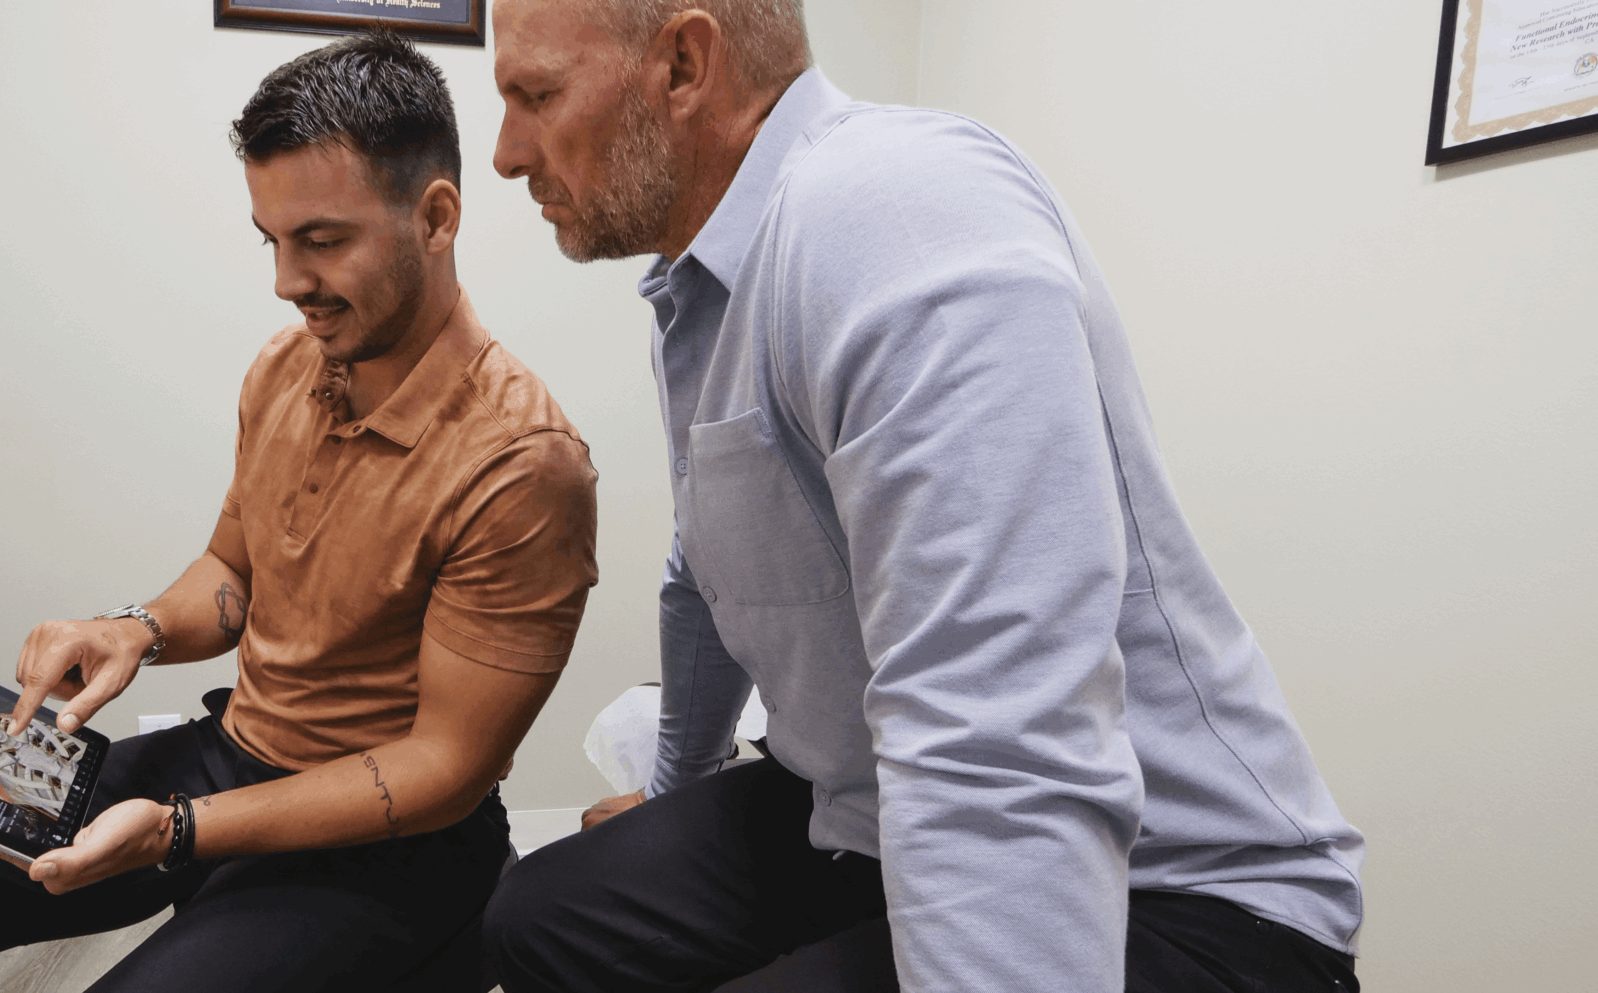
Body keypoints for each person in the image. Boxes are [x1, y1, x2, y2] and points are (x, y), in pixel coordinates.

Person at [481, 3, 1365, 992]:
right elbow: (705, 575)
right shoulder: (705, 293)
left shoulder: (894, 208)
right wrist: (671, 789)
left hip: (1170, 887)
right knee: (535, 919)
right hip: (859, 810)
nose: (506, 154)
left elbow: (999, 733)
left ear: (683, 65)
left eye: (537, 95)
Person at [0, 34, 600, 993]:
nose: (287, 281)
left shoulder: (523, 463)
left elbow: (444, 768)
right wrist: (134, 628)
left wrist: (178, 830)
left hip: (395, 839)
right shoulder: (287, 366)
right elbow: (232, 570)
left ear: (436, 217)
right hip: (234, 751)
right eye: (271, 241)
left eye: (322, 241)